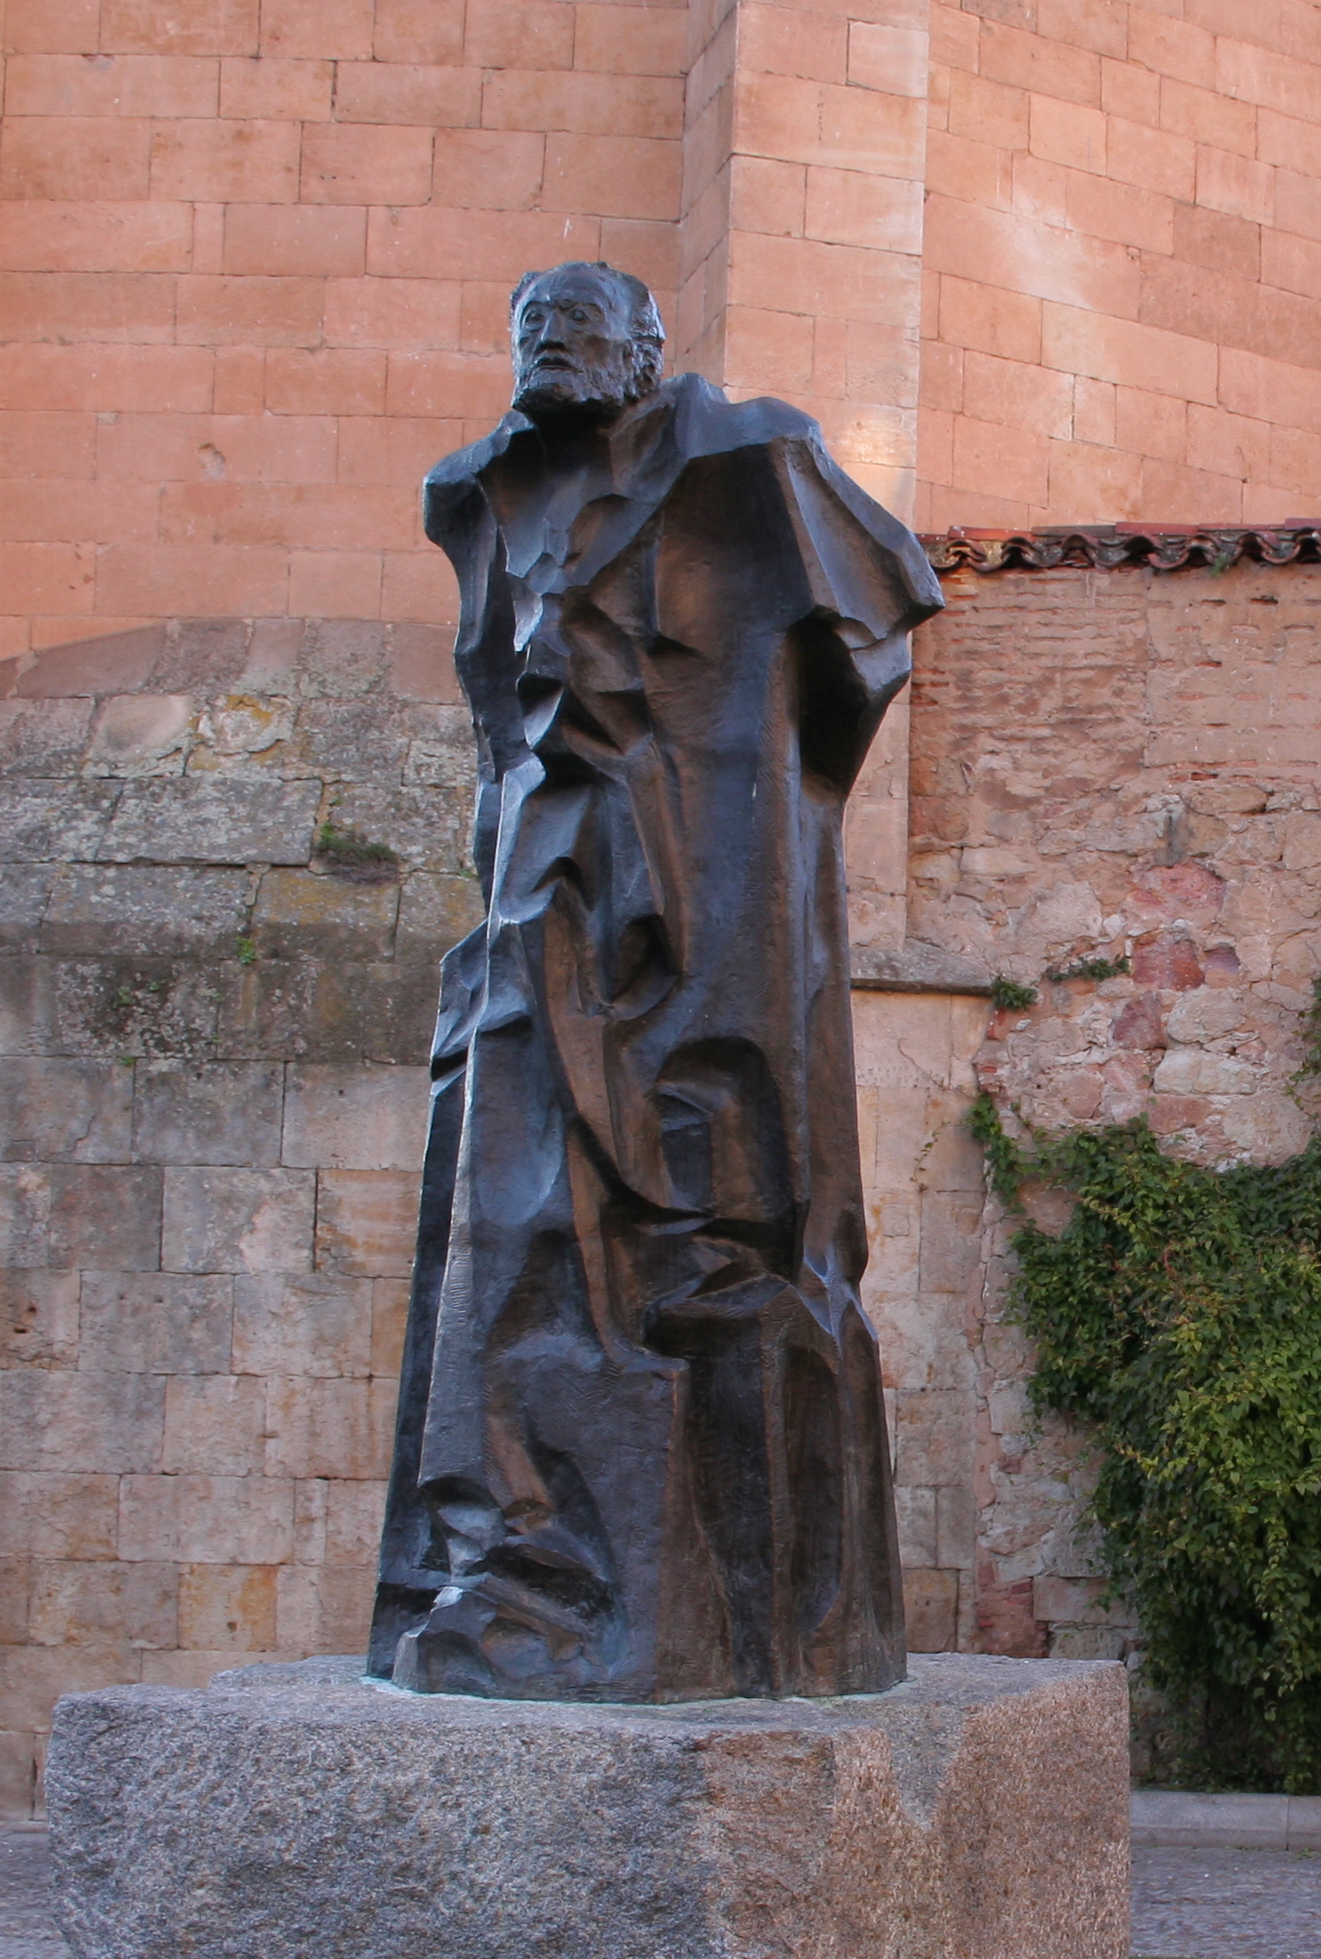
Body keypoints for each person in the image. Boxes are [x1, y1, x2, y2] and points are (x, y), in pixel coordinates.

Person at [368, 261, 942, 1702]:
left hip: (709, 879)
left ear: (644, 346)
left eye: (580, 325)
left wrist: (708, 753)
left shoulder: (753, 458)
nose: (550, 344)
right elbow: (496, 712)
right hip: (543, 883)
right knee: (522, 1214)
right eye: (532, 326)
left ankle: (727, 1614)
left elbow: (869, 643)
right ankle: (527, 1570)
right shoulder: (486, 490)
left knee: (721, 1223)